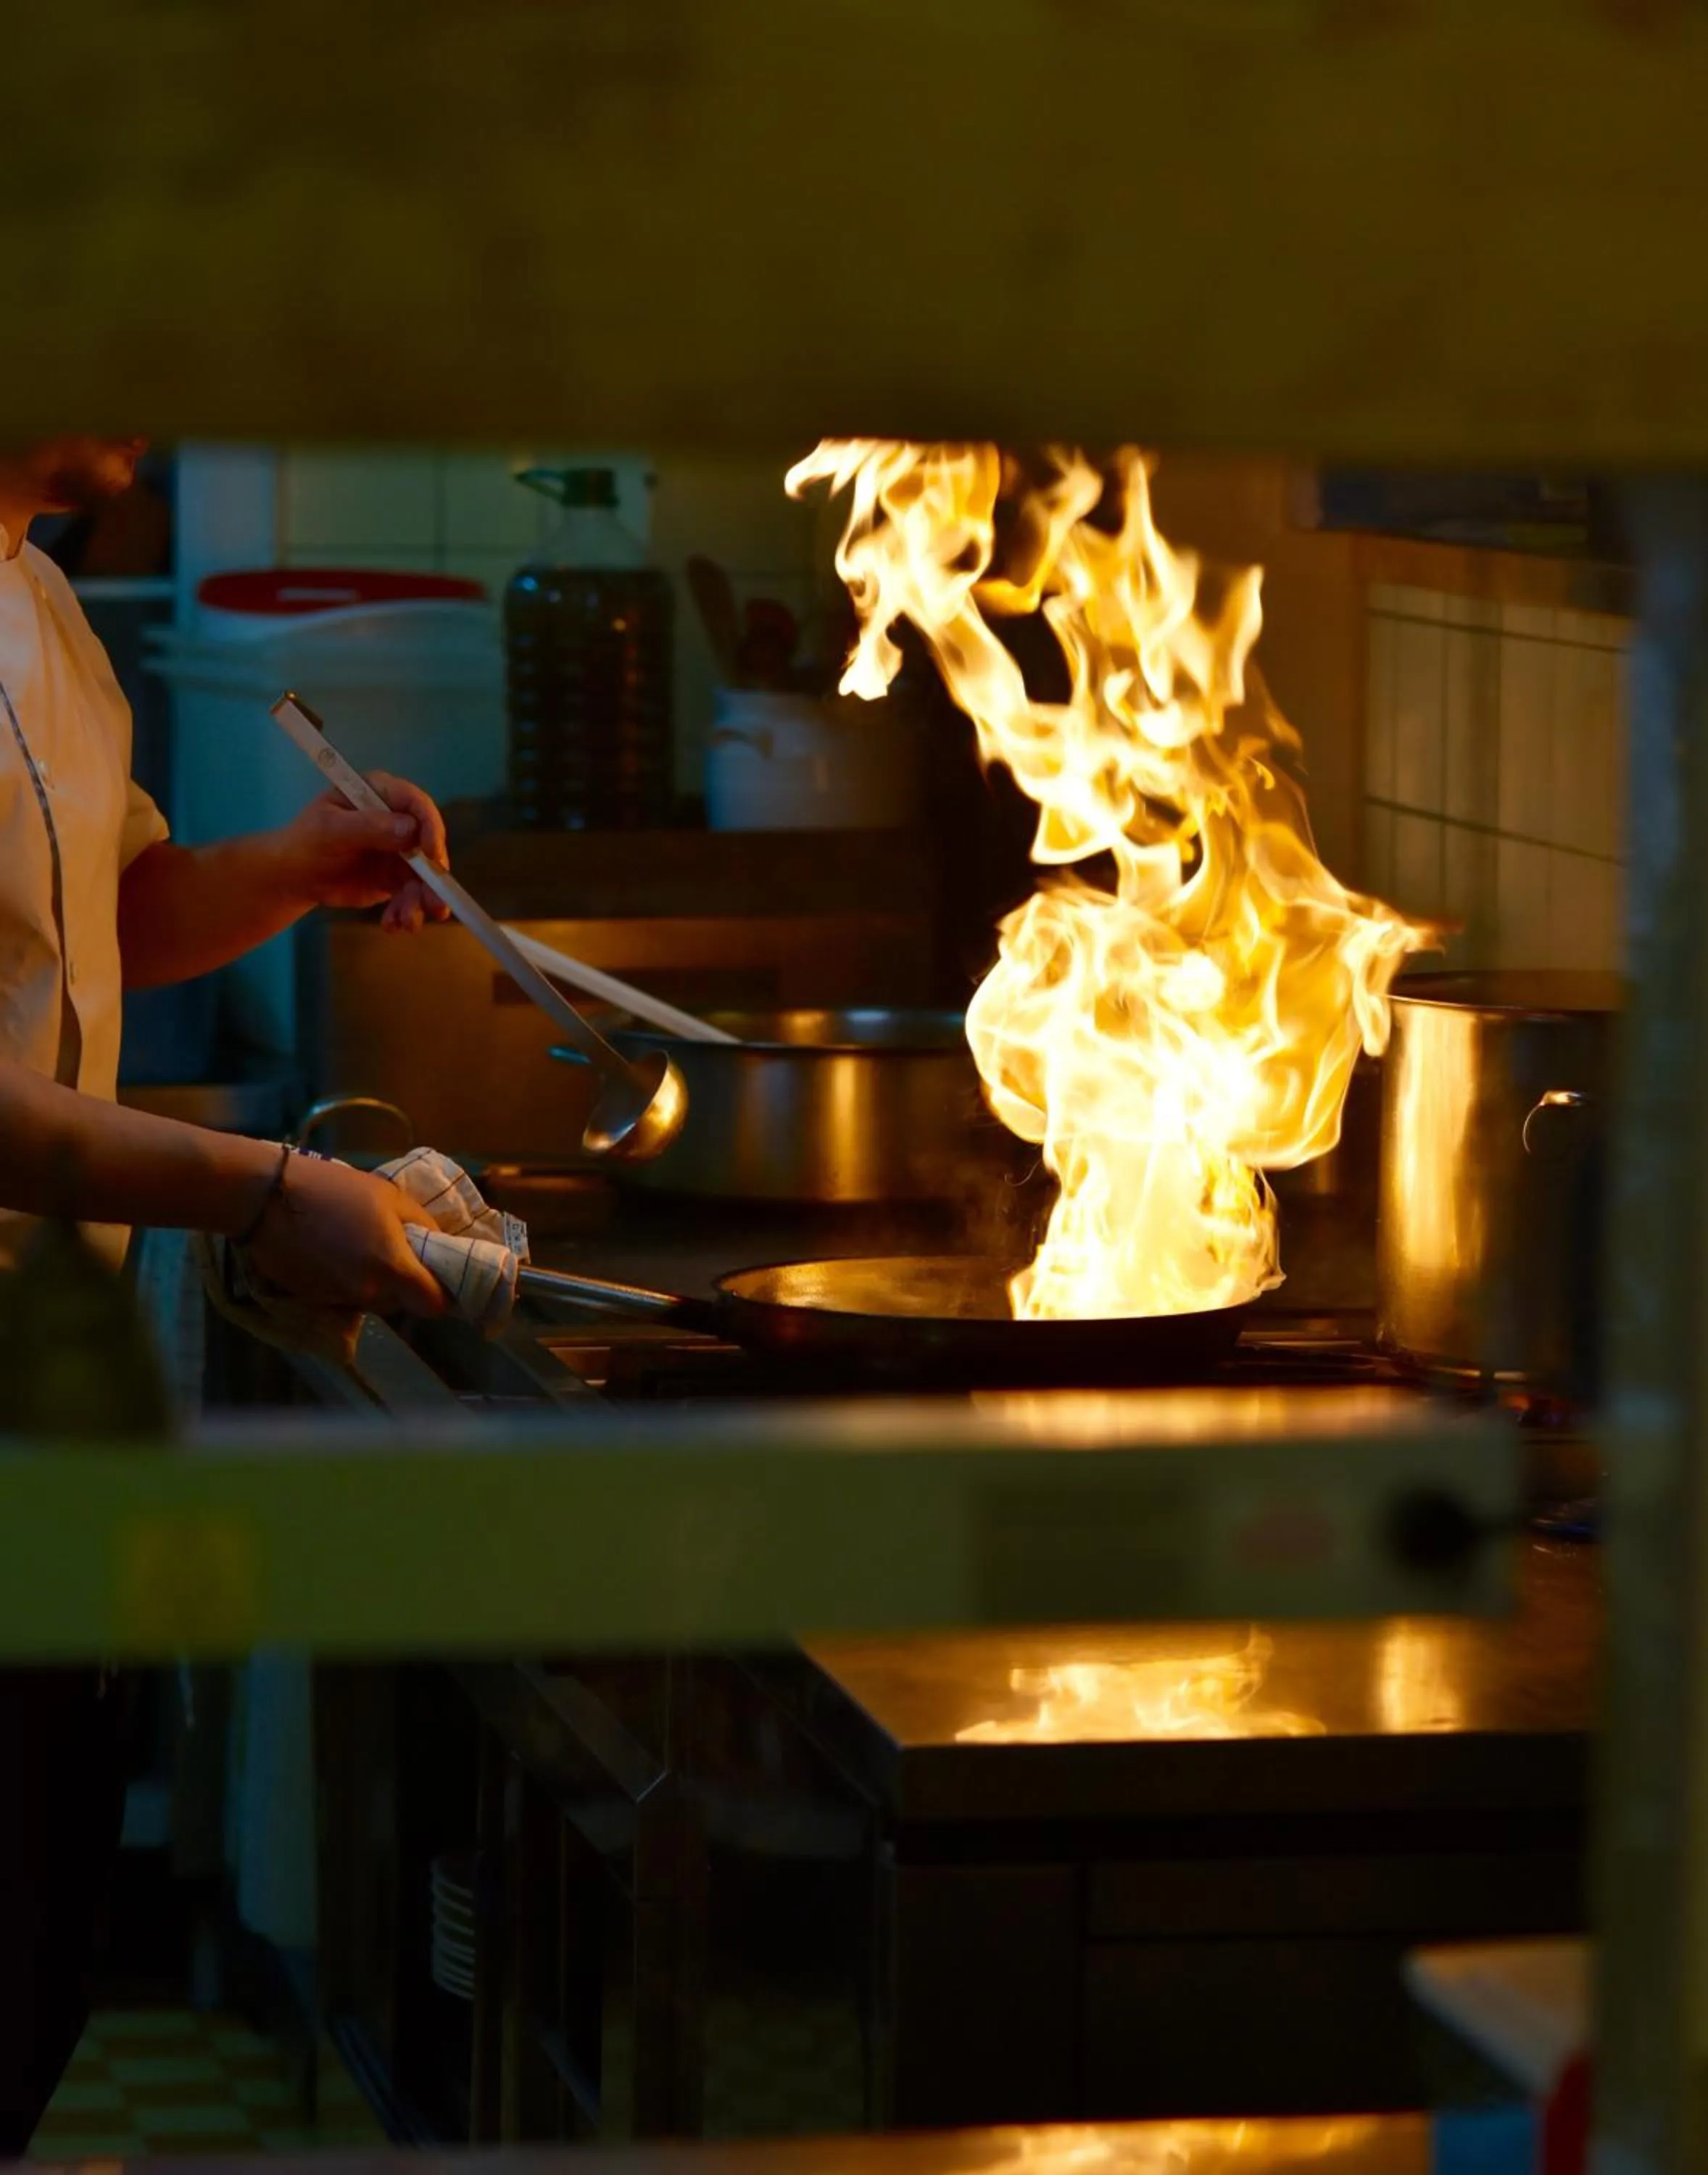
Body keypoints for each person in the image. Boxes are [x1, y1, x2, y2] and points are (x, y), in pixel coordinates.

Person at [0, 434, 453, 2148]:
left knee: (31, 1933)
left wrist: (290, 868)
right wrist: (266, 1186)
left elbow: (104, 916)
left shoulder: (44, 605)